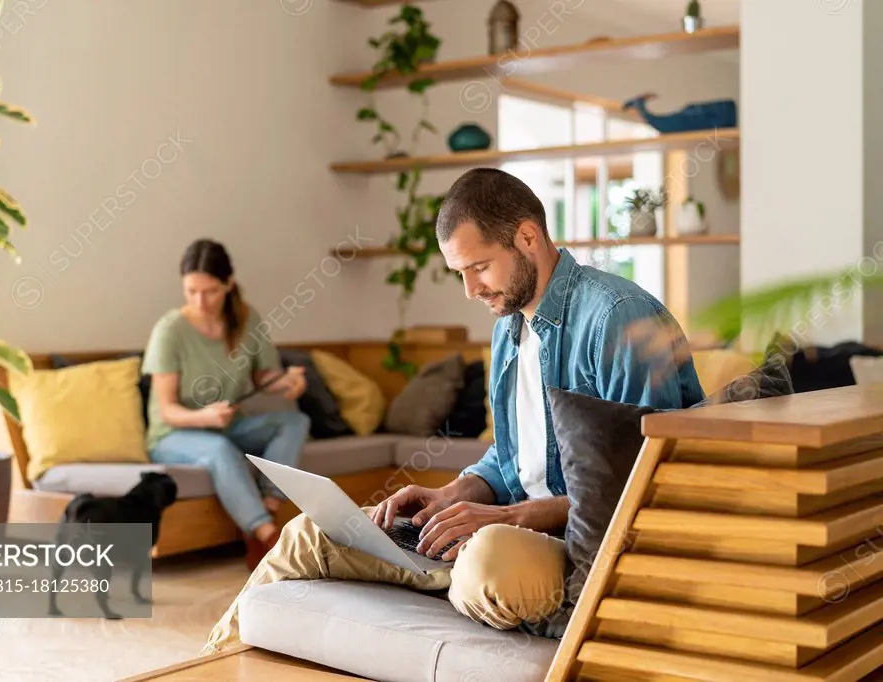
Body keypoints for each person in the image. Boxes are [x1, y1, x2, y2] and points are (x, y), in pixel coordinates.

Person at [201, 168, 705, 656]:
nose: (470, 290)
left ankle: (453, 565)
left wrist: (507, 518)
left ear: (528, 237)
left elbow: (637, 487)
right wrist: (453, 494)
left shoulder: (617, 319)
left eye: (479, 267)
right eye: (459, 273)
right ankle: (208, 664)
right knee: (310, 533)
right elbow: (513, 461)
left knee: (485, 559)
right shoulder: (509, 328)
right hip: (508, 532)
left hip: (571, 544)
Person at [142, 239, 310, 570]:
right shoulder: (170, 330)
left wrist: (289, 381)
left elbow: (265, 378)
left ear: (228, 284)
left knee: (295, 422)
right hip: (173, 435)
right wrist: (203, 417)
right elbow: (166, 411)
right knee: (219, 450)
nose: (200, 301)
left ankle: (267, 503)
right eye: (191, 291)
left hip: (227, 425)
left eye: (210, 291)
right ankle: (265, 536)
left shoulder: (247, 319)